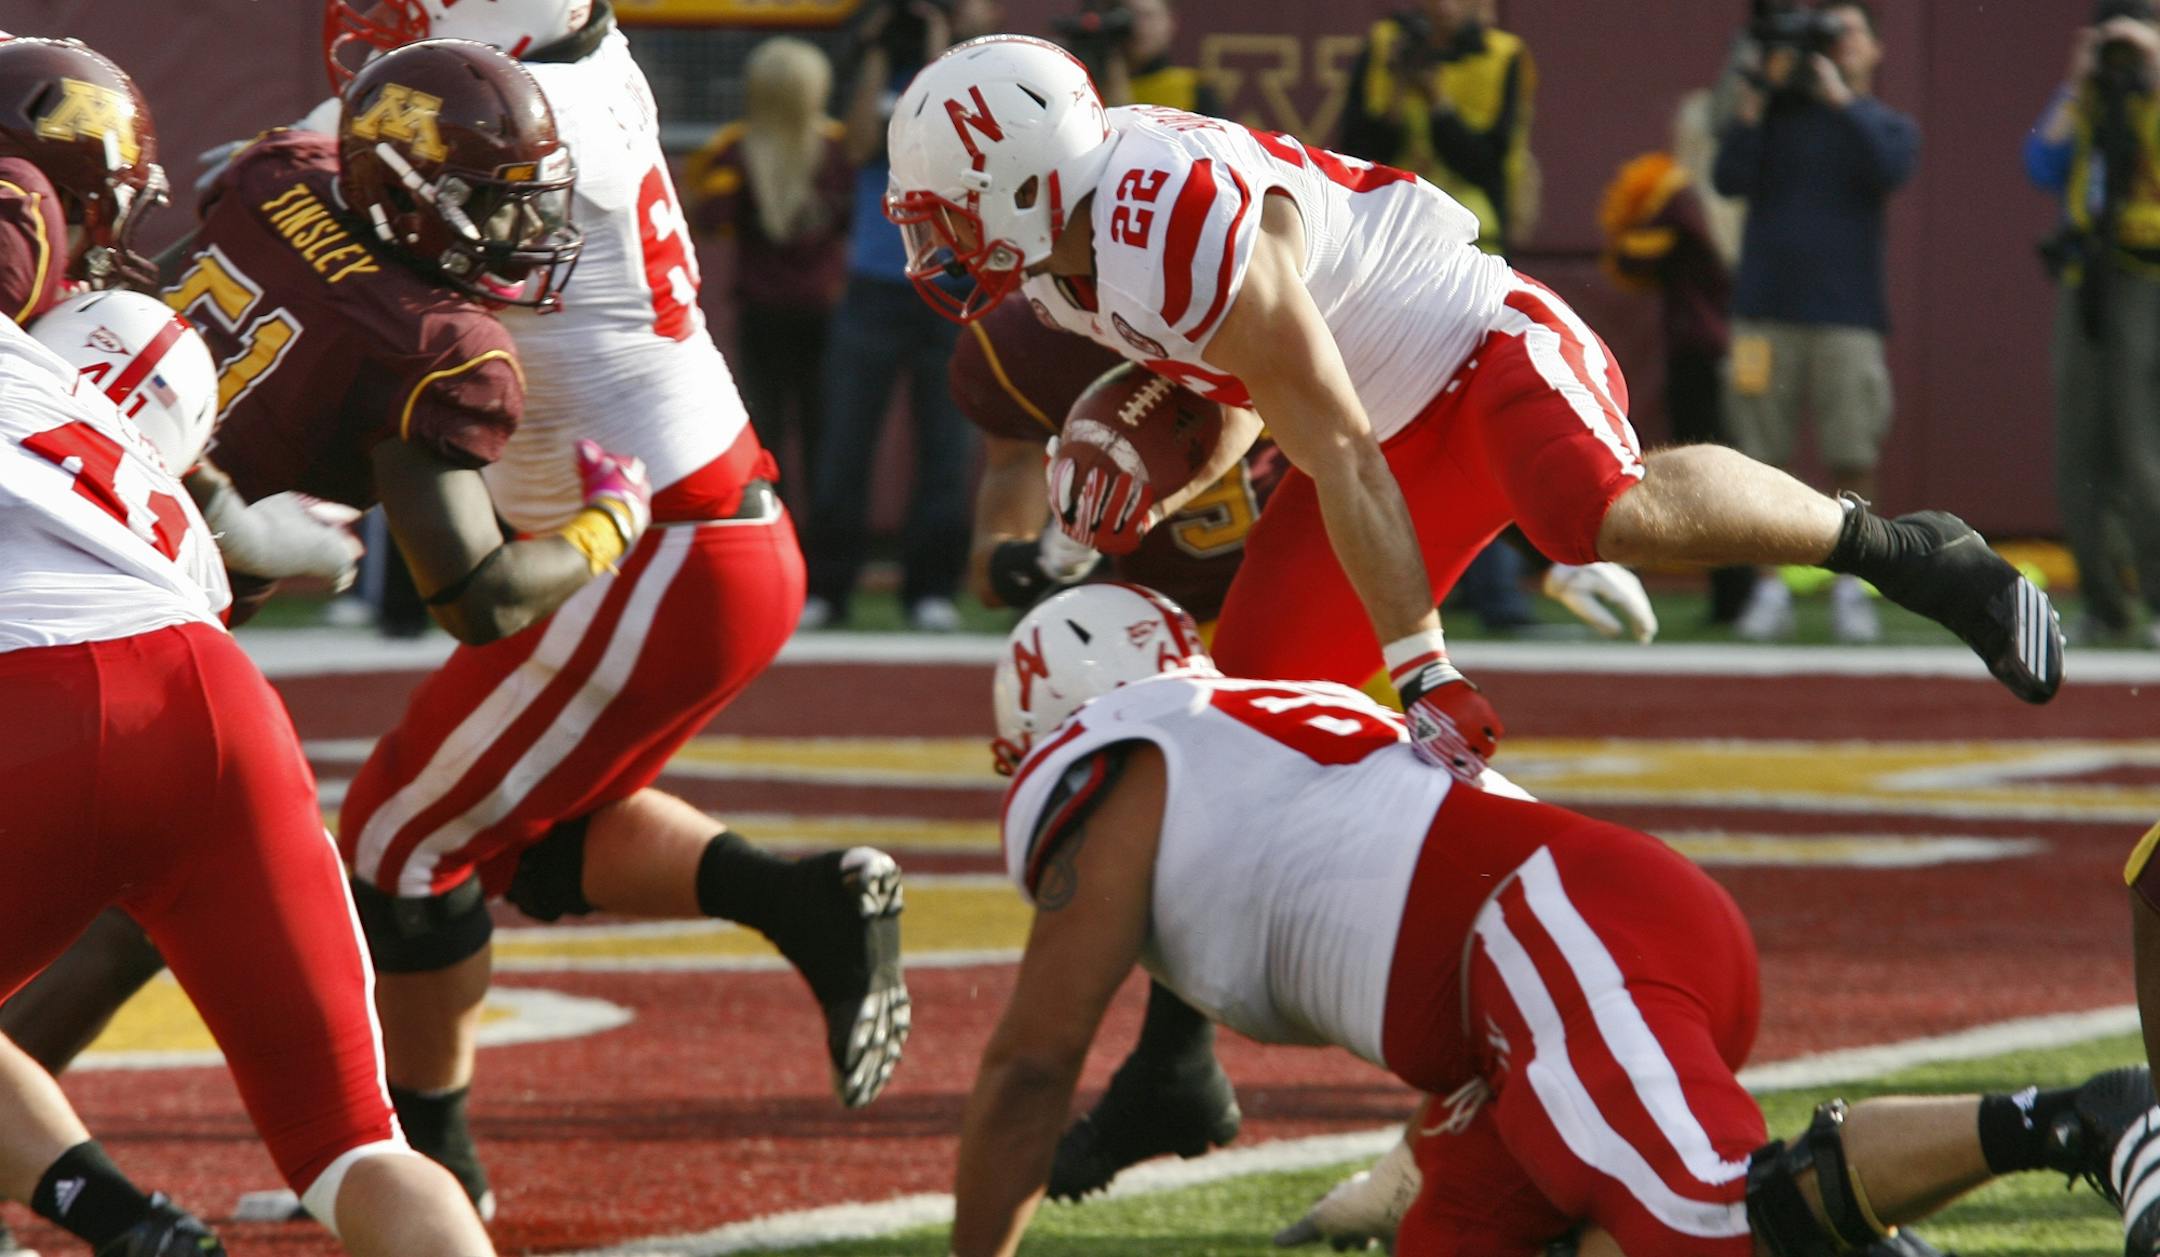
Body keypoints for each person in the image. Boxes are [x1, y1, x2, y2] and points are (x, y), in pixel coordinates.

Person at [881, 34, 2062, 1200]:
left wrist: (1422, 667)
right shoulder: (1070, 257)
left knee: (1599, 513)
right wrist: (1142, 486)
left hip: (1475, 348)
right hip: (1370, 427)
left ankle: (1906, 551)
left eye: (949, 215)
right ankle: (1175, 1067)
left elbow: (1334, 442)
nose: (935, 245)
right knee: (1235, 726)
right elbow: (1245, 388)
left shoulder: (1168, 221)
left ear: (1027, 184)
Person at [0, 23, 912, 1223]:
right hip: (173, 601)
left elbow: (268, 204)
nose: (524, 228)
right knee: (419, 841)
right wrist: (605, 523)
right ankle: (416, 1162)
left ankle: (334, 1168)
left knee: (384, 838)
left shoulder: (277, 175)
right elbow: (474, 595)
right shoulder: (437, 335)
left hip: (105, 540)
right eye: (495, 201)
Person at [955, 581, 2144, 1257]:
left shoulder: (1116, 754)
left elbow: (1032, 1066)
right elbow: (1384, 890)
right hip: (1544, 985)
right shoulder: (1253, 727)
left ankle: (2087, 1119)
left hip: (1549, 940)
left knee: (1700, 1218)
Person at [2, 282, 496, 1257]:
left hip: (34, 699)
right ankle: (122, 1222)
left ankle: (115, 1218)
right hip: (216, 701)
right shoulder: (164, 511)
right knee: (355, 1143)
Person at [1713, 0, 1919, 644]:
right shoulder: (1773, 116)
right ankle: (1768, 589)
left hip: (1846, 315)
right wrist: (1756, 95)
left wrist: (1840, 97)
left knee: (1852, 453)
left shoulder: (1881, 123)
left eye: (1850, 34)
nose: (1837, 45)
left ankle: (1851, 586)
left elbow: (1891, 167)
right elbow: (1727, 178)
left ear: (1875, 49)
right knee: (1758, 457)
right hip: (1764, 313)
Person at [800, 0, 1004, 631]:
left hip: (952, 283)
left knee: (945, 444)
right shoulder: (876, 73)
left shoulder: (976, 83)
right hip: (873, 285)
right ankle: (829, 585)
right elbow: (860, 144)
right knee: (844, 444)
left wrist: (940, 56)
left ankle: (930, 587)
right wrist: (878, 52)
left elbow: (955, 152)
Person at [952, 295, 1280, 624]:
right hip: (1172, 619)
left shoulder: (1233, 288)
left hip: (1300, 581)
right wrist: (1049, 555)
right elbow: (991, 577)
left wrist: (1153, 511)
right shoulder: (1023, 342)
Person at [2027, 0, 2160, 649]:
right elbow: (2041, 163)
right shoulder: (2088, 96)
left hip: (2149, 280)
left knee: (2144, 449)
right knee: (2079, 451)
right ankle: (2105, 604)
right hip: (2088, 281)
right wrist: (2076, 84)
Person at [1601, 91, 1753, 626]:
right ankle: (1742, 593)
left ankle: (1732, 596)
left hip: (1699, 350)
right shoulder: (1743, 198)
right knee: (1742, 465)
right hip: (1747, 348)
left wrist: (1631, 220)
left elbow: (1628, 257)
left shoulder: (1679, 198)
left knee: (1704, 472)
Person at [685, 36, 853, 513]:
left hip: (762, 309)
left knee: (766, 428)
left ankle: (770, 525)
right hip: (824, 308)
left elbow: (708, 219)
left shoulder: (733, 149)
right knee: (825, 430)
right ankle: (822, 543)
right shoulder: (838, 148)